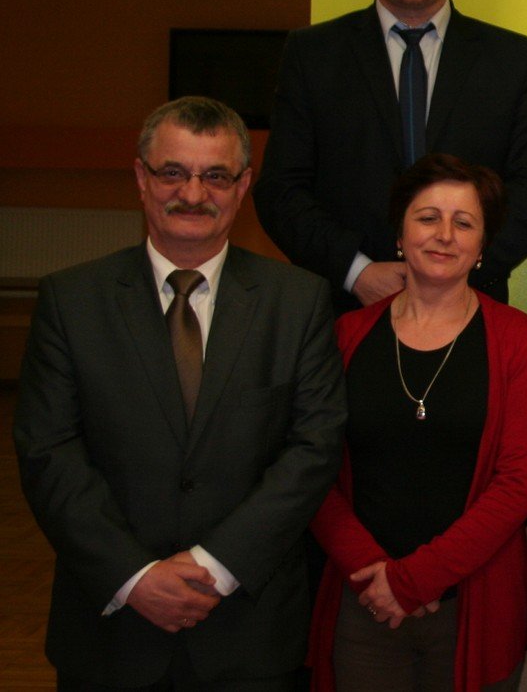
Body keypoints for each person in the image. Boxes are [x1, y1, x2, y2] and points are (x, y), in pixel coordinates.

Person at [14, 97, 346, 689]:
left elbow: (313, 449)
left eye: (215, 175)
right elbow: (48, 453)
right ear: (141, 178)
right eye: (173, 172)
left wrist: (215, 566)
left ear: (242, 186)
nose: (193, 194)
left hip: (247, 631)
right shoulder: (71, 301)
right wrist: (135, 576)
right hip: (111, 631)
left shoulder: (298, 302)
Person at [256, 0, 527, 315]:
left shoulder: (513, 60)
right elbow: (281, 191)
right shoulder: (313, 56)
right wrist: (357, 271)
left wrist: (454, 273)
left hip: (473, 311)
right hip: (346, 311)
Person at [307, 154, 527, 691]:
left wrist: (414, 580)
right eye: (427, 218)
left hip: (475, 604)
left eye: (463, 222)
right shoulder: (344, 336)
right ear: (399, 233)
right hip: (365, 599)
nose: (444, 235)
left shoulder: (519, 341)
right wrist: (376, 576)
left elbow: (517, 485)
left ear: (482, 245)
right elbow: (313, 471)